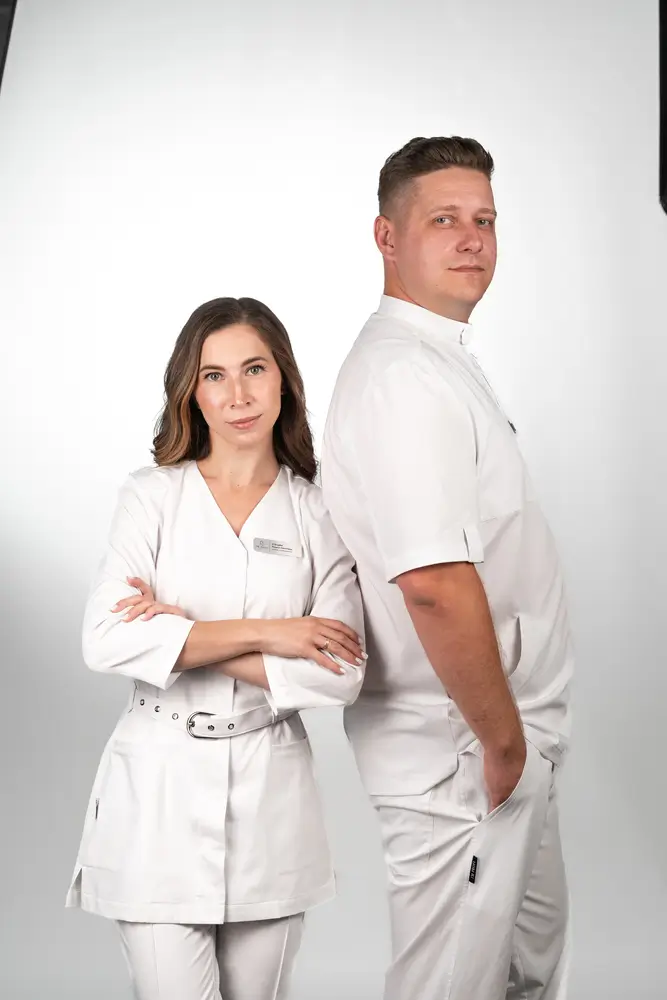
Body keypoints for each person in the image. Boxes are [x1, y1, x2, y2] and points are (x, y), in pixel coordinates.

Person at [321, 137, 573, 1000]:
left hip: (499, 742)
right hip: (462, 750)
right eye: (443, 221)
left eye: (484, 220)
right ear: (386, 237)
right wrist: (501, 746)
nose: (471, 239)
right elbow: (430, 581)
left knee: (521, 976)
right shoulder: (402, 377)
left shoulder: (436, 359)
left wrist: (516, 745)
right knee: (451, 987)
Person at [66, 296, 366, 1000]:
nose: (238, 395)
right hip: (157, 791)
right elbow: (105, 638)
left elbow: (341, 672)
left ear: (283, 379)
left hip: (271, 793)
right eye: (214, 376)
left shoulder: (319, 509)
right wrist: (273, 632)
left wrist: (180, 635)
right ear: (191, 393)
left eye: (254, 369)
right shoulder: (151, 498)